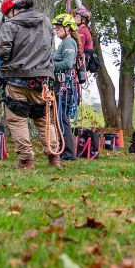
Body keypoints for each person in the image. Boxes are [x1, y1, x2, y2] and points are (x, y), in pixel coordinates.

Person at [0, 0, 63, 169]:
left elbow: (2, 52)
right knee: (44, 119)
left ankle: (26, 160)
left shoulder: (9, 25)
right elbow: (48, 47)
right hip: (42, 81)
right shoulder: (46, 22)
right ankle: (54, 157)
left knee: (17, 120)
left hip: (17, 80)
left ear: (10, 11)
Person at [52, 13, 79, 161]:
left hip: (64, 85)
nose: (56, 30)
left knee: (62, 118)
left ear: (67, 28)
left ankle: (68, 153)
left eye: (58, 27)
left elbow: (68, 64)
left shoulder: (68, 43)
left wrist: (50, 65)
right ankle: (65, 151)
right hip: (61, 84)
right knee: (59, 118)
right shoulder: (64, 43)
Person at [72, 6, 98, 73]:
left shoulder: (82, 31)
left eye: (77, 17)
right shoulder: (83, 29)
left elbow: (80, 49)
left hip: (81, 61)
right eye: (74, 17)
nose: (74, 18)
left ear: (83, 19)